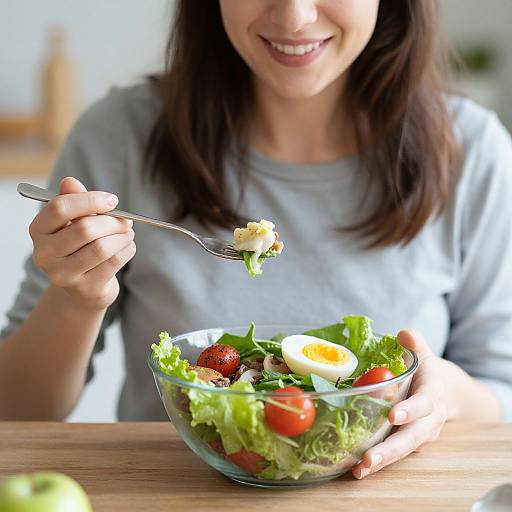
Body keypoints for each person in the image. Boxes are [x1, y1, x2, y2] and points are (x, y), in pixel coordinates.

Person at [1, 0, 511, 480]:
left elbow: (501, 389)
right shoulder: (119, 136)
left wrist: (447, 394)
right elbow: (16, 411)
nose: (294, 17)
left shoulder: (472, 151)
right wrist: (74, 298)